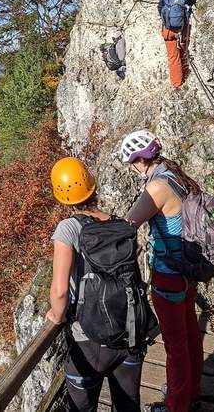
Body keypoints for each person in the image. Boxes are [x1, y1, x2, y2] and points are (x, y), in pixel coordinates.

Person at [46, 156, 144, 412]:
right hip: (129, 333)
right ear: (93, 187)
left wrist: (56, 315)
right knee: (128, 406)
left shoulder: (68, 229)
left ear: (61, 196)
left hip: (87, 339)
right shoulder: (118, 224)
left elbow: (60, 291)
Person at [119, 130, 204, 412]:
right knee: (190, 333)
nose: (133, 168)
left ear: (141, 160)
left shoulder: (156, 188)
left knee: (174, 346)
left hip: (167, 272)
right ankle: (191, 391)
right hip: (188, 268)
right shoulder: (174, 173)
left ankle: (175, 406)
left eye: (133, 162)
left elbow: (128, 225)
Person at [158, 0, 197, 88]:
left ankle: (177, 84)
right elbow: (193, 1)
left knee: (173, 57)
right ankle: (185, 77)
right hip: (183, 28)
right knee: (183, 53)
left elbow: (160, 9)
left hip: (169, 30)